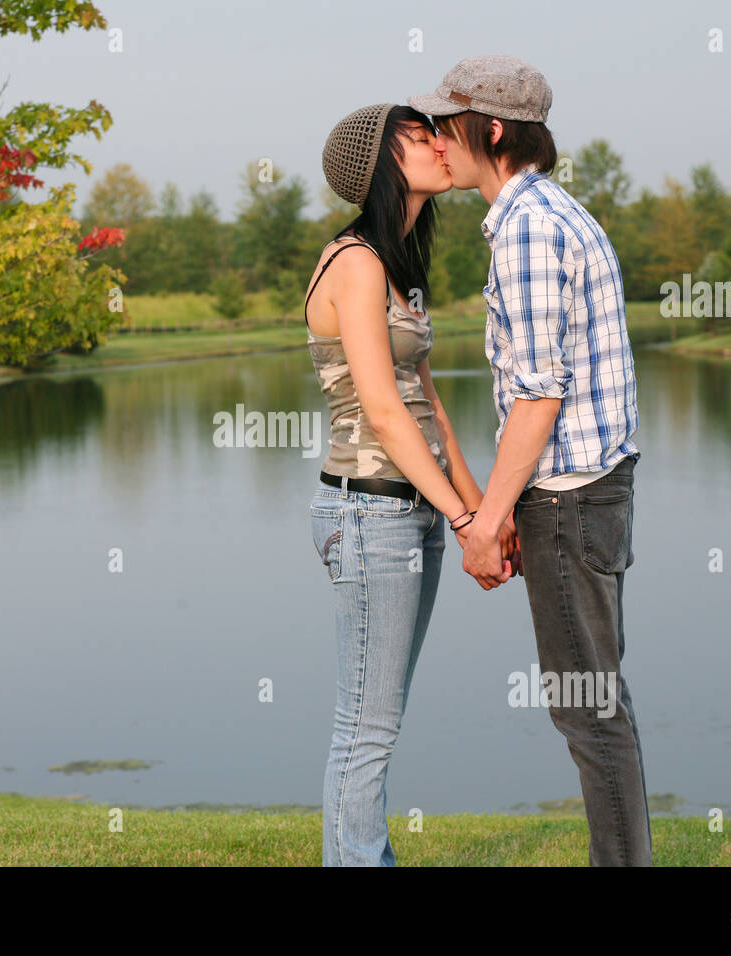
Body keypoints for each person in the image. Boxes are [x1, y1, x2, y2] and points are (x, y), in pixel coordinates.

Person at [409, 55, 652, 865]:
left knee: (587, 709)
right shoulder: (552, 213)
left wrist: (490, 522)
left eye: (447, 126)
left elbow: (538, 396)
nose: (438, 143)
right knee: (596, 703)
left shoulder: (525, 227)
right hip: (588, 494)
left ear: (493, 130)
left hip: (569, 500)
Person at [305, 102, 518, 866]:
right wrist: (466, 524)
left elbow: (433, 413)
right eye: (420, 137)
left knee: (375, 722)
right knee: (366, 727)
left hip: (411, 512)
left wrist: (489, 510)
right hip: (369, 510)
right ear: (383, 164)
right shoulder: (355, 263)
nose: (439, 144)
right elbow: (388, 416)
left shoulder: (395, 265)